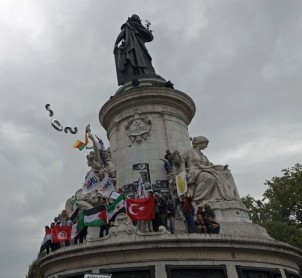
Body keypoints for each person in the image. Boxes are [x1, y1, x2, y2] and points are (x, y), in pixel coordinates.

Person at [184, 136, 241, 203]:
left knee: (227, 174)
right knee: (210, 179)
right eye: (206, 144)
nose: (206, 146)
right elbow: (181, 162)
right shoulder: (189, 152)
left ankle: (230, 196)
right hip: (194, 173)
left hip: (206, 171)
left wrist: (222, 167)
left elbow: (211, 166)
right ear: (200, 142)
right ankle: (196, 198)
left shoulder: (204, 156)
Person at [113, 14, 157, 85]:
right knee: (139, 57)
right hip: (135, 47)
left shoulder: (129, 26)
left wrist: (116, 44)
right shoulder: (132, 26)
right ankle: (142, 71)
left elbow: (121, 34)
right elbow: (149, 36)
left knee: (138, 57)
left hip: (135, 47)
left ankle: (142, 71)